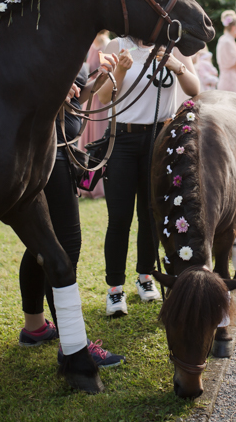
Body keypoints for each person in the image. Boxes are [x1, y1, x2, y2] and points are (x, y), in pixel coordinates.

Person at [16, 61, 125, 367]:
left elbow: (77, 98)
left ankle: (35, 328)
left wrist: (98, 79)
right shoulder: (41, 39)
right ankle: (72, 342)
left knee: (38, 243)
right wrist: (53, 89)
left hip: (54, 155)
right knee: (64, 246)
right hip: (48, 158)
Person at [96, 35, 200, 317]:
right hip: (122, 140)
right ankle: (114, 290)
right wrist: (120, 71)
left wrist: (176, 66)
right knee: (119, 217)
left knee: (151, 214)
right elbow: (102, 97)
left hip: (158, 139)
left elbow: (194, 89)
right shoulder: (115, 46)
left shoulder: (172, 46)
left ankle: (145, 277)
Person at [79, 31, 111, 198]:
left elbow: (106, 75)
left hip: (100, 98)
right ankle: (86, 184)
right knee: (87, 142)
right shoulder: (92, 46)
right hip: (89, 96)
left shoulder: (106, 45)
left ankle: (99, 186)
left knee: (98, 142)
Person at [216, 14, 236, 94]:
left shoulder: (227, 40)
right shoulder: (227, 42)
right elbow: (235, 65)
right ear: (234, 28)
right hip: (230, 82)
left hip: (231, 79)